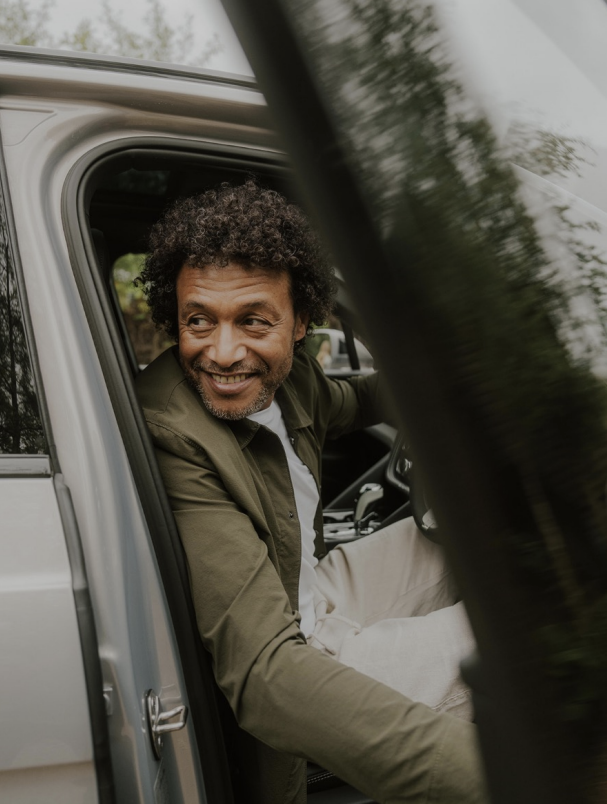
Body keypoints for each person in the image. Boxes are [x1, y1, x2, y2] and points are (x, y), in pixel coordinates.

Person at [136, 180, 487, 804]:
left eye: (253, 320)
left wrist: (451, 377)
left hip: (304, 596)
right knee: (530, 630)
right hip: (290, 654)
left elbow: (358, 400)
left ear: (301, 323)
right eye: (199, 320)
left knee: (478, 540)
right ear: (176, 316)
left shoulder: (292, 380)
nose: (222, 354)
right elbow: (266, 676)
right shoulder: (174, 434)